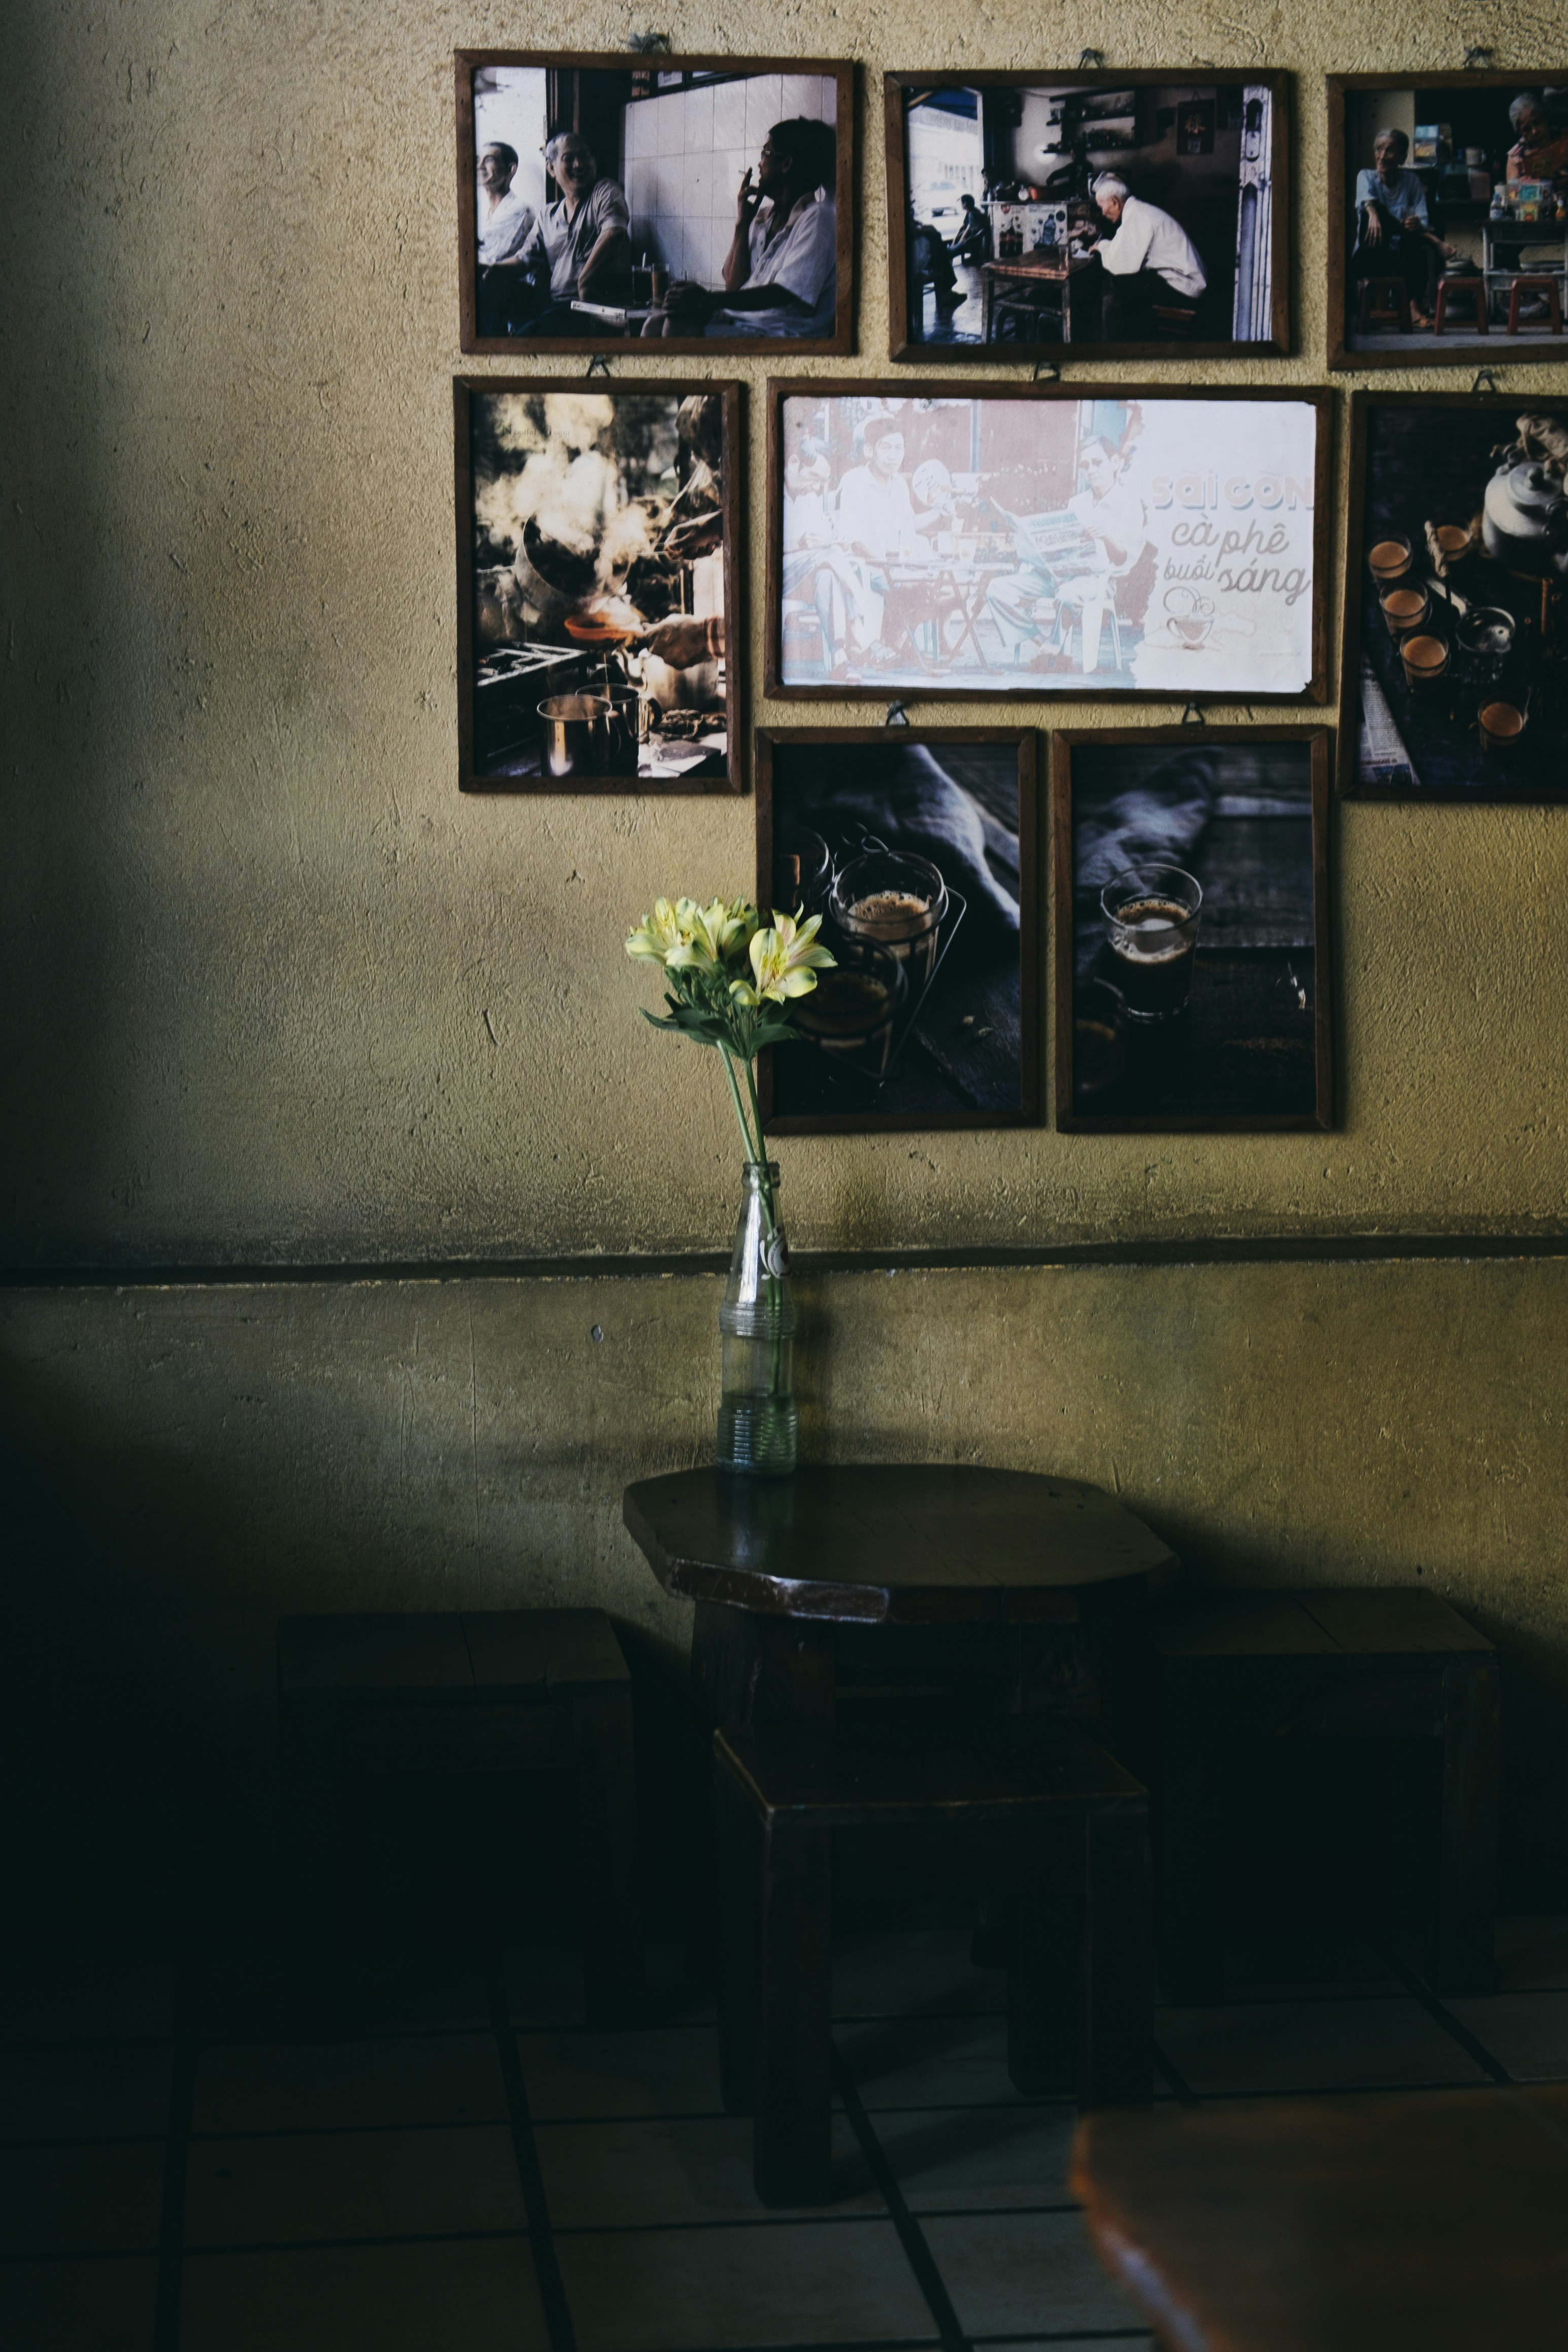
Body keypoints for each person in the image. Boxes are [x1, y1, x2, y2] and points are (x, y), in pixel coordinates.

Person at [651, 117, 838, 338]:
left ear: (787, 164)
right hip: (743, 322)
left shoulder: (817, 219)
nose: (759, 164)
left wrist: (708, 300)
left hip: (778, 334)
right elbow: (734, 286)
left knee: (678, 328)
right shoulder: (762, 219)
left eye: (765, 154)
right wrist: (743, 225)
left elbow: (784, 293)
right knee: (654, 324)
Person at [986, 436, 1149, 674]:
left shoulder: (1129, 503)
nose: (1091, 470)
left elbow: (1124, 560)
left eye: (1097, 462)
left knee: (1068, 595)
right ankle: (1043, 642)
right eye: (1085, 466)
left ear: (1115, 462)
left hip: (1097, 580)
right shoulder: (1077, 503)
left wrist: (1105, 537)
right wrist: (1031, 545)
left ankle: (1054, 645)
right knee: (997, 589)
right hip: (1058, 574)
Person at [830, 414, 952, 667]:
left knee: (934, 586)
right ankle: (891, 647)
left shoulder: (899, 485)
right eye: (886, 448)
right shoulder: (854, 482)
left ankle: (896, 645)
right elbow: (850, 539)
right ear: (869, 451)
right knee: (913, 587)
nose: (893, 455)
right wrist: (885, 564)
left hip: (896, 566)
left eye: (899, 448)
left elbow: (910, 526)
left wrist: (939, 512)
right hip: (866, 566)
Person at [1351, 127, 1457, 328]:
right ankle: (1411, 305)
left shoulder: (1411, 182)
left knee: (1412, 236)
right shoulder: (1365, 176)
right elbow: (1367, 202)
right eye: (1379, 149)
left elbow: (1423, 219)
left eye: (1390, 150)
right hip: (1371, 255)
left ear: (1402, 157)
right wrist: (1373, 213)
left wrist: (1418, 224)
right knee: (1376, 212)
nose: (1382, 156)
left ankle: (1413, 308)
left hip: (1402, 257)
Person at [529, 133, 631, 331]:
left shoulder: (606, 191)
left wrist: (585, 282)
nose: (579, 165)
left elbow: (615, 232)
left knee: (527, 339)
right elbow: (524, 259)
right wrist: (490, 269)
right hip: (556, 305)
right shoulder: (548, 214)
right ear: (551, 168)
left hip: (593, 306)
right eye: (569, 159)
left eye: (585, 156)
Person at [1088, 173, 1207, 337]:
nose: (1102, 212)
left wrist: (1101, 247)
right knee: (1121, 286)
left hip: (1184, 286)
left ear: (1115, 202)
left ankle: (1108, 348)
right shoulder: (1137, 211)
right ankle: (1102, 340)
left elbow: (1120, 266)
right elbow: (1123, 250)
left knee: (1114, 283)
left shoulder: (1138, 216)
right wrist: (1103, 247)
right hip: (1180, 280)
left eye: (1102, 206)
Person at [474, 142, 544, 334]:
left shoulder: (519, 210)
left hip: (516, 303)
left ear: (511, 170)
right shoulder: (483, 212)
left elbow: (489, 260)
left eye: (488, 160)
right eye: (477, 160)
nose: (480, 166)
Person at [1506, 91, 1568, 183]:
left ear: (1545, 118)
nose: (1535, 132)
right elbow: (1512, 192)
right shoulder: (1516, 156)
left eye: (1537, 123)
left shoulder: (1564, 139)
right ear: (1520, 133)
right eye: (1527, 129)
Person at [950, 192, 991, 265]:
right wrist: (955, 239)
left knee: (952, 251)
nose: (962, 205)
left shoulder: (973, 213)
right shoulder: (970, 212)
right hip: (969, 237)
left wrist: (962, 239)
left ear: (965, 203)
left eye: (962, 203)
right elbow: (963, 226)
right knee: (951, 247)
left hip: (972, 239)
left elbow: (969, 228)